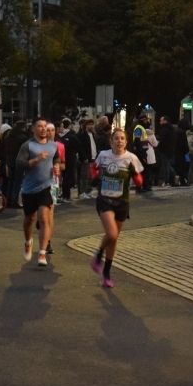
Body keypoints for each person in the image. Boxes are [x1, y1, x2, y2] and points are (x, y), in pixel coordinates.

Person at [88, 128, 145, 287]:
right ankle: (98, 256)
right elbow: (94, 167)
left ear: (126, 142)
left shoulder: (131, 158)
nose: (119, 141)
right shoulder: (104, 155)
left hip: (122, 202)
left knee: (113, 239)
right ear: (111, 141)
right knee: (111, 233)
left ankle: (106, 273)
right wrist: (94, 177)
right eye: (116, 138)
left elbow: (140, 182)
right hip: (105, 200)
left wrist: (135, 175)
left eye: (122, 139)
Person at [16, 119, 59, 267]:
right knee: (29, 220)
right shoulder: (27, 145)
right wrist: (36, 160)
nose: (43, 129)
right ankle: (28, 241)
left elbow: (56, 160)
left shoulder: (53, 146)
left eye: (45, 127)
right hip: (29, 189)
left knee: (44, 218)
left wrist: (57, 167)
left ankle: (42, 253)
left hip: (45, 188)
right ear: (33, 129)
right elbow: (19, 163)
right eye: (39, 127)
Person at [76, 119, 98, 199]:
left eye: (92, 124)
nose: (91, 126)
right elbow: (81, 148)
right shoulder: (82, 135)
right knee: (84, 176)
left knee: (91, 176)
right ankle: (82, 192)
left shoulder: (93, 134)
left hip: (94, 158)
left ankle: (88, 191)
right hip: (86, 159)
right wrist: (84, 157)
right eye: (89, 124)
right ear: (86, 125)